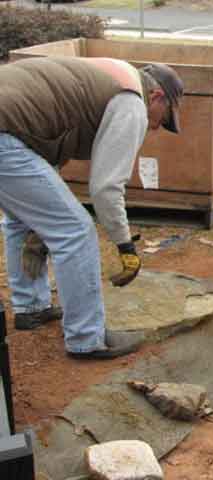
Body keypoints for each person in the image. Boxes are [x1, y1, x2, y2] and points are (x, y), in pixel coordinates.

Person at [0, 57, 184, 359]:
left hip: (11, 127)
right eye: (162, 120)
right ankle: (87, 338)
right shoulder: (131, 102)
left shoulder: (108, 76)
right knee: (75, 230)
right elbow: (105, 188)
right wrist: (125, 246)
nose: (155, 130)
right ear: (157, 97)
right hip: (5, 133)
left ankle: (30, 307)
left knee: (21, 219)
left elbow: (50, 131)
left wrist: (42, 224)